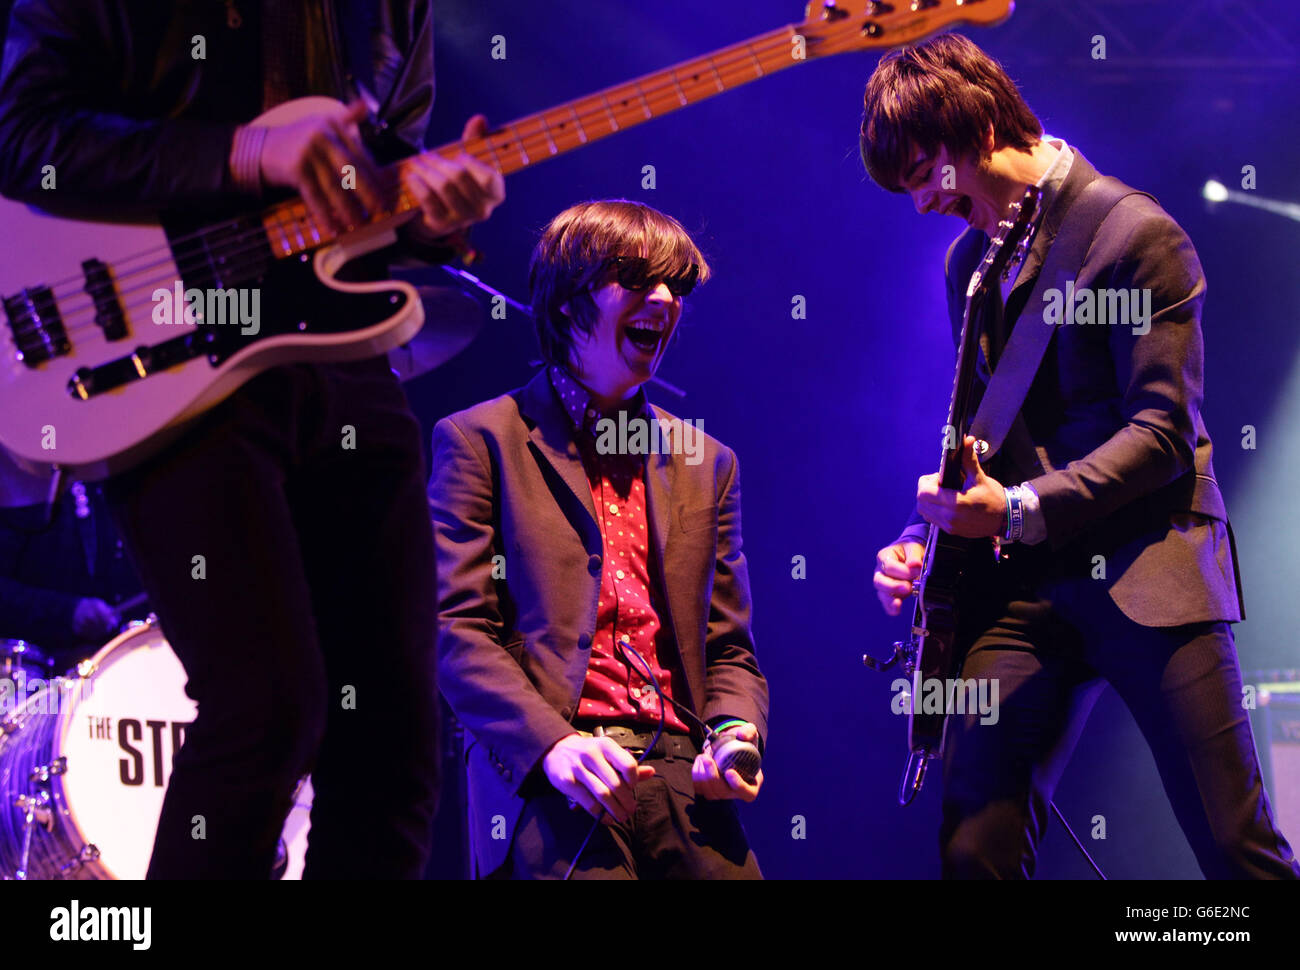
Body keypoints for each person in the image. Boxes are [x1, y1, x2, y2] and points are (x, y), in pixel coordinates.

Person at [0, 0, 503, 877]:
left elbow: (376, 176)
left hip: (335, 345)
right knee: (266, 708)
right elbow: (23, 137)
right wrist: (241, 151)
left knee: (391, 736)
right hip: (162, 346)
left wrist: (431, 212)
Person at [862, 34, 1298, 879]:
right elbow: (984, 428)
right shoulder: (969, 265)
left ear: (979, 125)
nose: (921, 203)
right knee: (972, 845)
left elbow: (1164, 433)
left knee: (1233, 848)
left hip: (1149, 570)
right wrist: (927, 534)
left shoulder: (1136, 234)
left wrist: (1021, 509)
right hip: (1024, 590)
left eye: (925, 175)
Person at [430, 200, 769, 879]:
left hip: (682, 773)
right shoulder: (480, 441)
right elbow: (456, 630)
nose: (666, 299)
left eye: (678, 284)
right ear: (565, 305)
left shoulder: (709, 462)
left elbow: (728, 648)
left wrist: (736, 733)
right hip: (553, 771)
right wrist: (552, 745)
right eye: (640, 281)